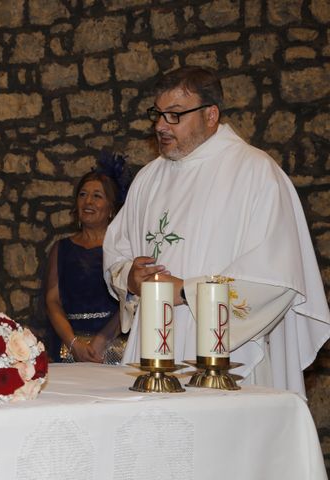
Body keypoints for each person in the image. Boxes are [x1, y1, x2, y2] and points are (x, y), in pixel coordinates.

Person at [103, 66, 330, 395]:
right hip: (152, 351)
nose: (160, 126)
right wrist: (129, 278)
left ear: (211, 115)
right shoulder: (149, 178)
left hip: (228, 354)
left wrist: (186, 292)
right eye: (158, 114)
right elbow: (118, 253)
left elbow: (278, 277)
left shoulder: (256, 172)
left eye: (174, 115)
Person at [46, 156, 130, 363]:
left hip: (114, 347)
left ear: (111, 207)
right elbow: (52, 301)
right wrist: (73, 343)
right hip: (69, 348)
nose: (88, 201)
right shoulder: (62, 248)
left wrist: (100, 343)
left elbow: (130, 300)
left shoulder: (123, 249)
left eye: (97, 196)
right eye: (83, 195)